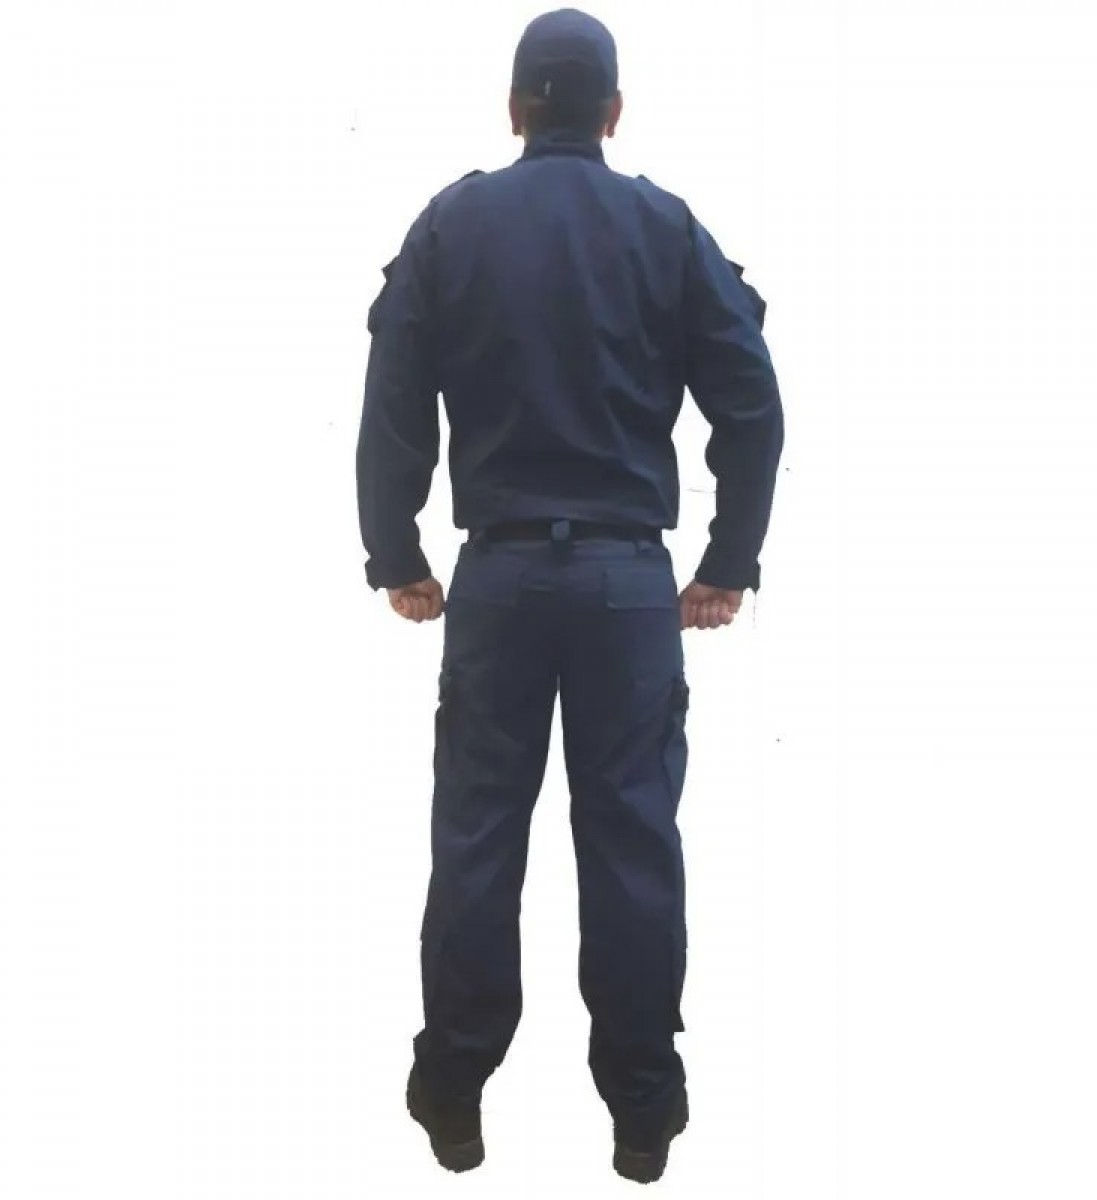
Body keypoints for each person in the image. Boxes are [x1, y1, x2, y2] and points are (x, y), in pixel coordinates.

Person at [355, 7, 784, 1184]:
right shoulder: (666, 227)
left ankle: (452, 1095)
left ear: (512, 110)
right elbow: (751, 401)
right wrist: (728, 561)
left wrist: (395, 552)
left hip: (496, 584)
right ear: (612, 113)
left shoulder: (451, 224)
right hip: (626, 591)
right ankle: (643, 1114)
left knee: (477, 840)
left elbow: (393, 393)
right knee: (634, 847)